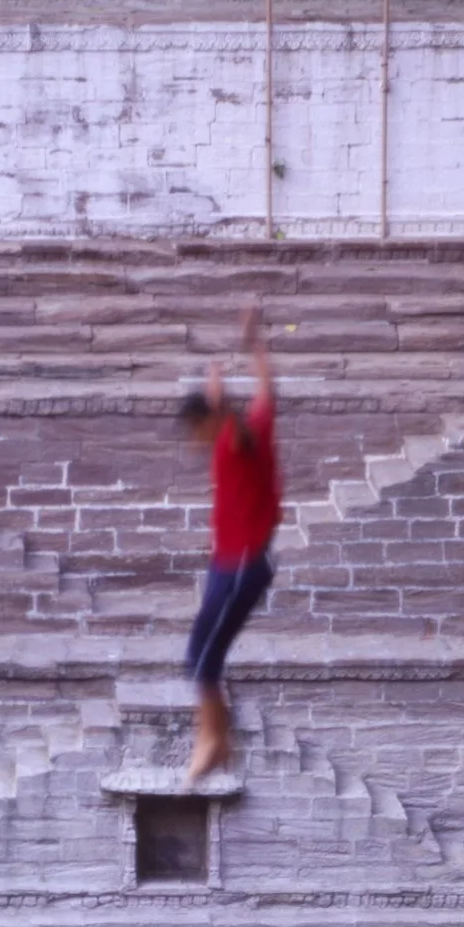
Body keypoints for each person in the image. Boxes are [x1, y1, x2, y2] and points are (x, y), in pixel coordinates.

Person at [177, 307, 281, 784]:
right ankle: (217, 739)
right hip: (229, 564)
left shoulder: (236, 440)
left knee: (201, 656)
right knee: (201, 654)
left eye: (195, 431)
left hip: (241, 566)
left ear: (208, 422)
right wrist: (254, 341)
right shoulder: (256, 425)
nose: (194, 442)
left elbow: (236, 428)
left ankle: (215, 741)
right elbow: (266, 388)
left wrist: (221, 408)